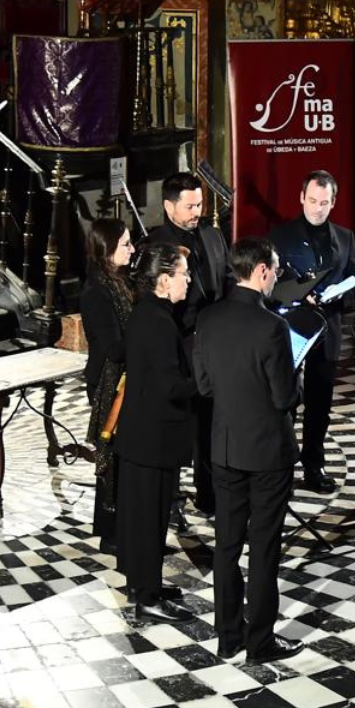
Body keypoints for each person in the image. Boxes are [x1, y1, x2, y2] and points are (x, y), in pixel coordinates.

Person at [193, 237, 303, 665]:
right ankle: (260, 643)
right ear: (260, 271)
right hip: (268, 454)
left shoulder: (208, 317)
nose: (276, 277)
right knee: (263, 548)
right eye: (274, 270)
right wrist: (297, 377)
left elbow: (204, 386)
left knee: (226, 545)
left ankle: (227, 637)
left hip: (223, 448)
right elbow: (283, 398)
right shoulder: (272, 326)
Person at [111, 243, 198, 623]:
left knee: (142, 516)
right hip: (152, 439)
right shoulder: (158, 322)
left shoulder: (149, 313)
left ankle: (142, 583)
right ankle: (147, 597)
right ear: (164, 280)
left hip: (141, 436)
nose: (189, 280)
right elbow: (170, 387)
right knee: (149, 519)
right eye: (184, 274)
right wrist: (206, 382)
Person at [269, 170, 355, 494]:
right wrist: (300, 292)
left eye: (324, 203)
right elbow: (272, 283)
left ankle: (314, 465)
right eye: (312, 201)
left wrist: (339, 295)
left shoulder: (345, 237)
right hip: (291, 327)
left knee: (320, 403)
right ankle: (281, 465)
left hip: (328, 328)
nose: (317, 208)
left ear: (333, 202)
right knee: (286, 397)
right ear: (301, 198)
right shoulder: (281, 236)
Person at [146, 173, 231, 515]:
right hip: (181, 339)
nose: (197, 211)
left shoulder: (212, 235)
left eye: (200, 204)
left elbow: (224, 280)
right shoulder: (155, 245)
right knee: (188, 418)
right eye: (190, 206)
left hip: (214, 338)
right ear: (169, 206)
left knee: (212, 416)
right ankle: (171, 492)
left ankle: (208, 491)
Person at [79, 217, 136, 547]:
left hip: (125, 378)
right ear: (107, 249)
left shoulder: (121, 281)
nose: (131, 249)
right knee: (112, 456)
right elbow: (114, 348)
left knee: (125, 455)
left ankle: (122, 525)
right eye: (125, 244)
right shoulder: (98, 292)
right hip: (108, 382)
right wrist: (145, 333)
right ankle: (111, 532)